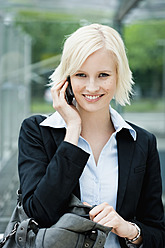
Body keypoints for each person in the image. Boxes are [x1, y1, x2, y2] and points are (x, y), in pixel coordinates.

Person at [18, 23, 165, 247]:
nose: (92, 86)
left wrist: (129, 229)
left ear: (118, 76)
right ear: (66, 79)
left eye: (103, 75)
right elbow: (39, 213)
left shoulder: (142, 142)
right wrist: (73, 131)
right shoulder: (36, 132)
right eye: (81, 74)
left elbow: (158, 232)